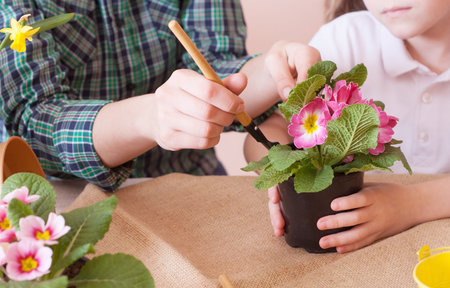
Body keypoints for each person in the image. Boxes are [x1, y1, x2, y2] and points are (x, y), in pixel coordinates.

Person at [0, 0, 320, 191]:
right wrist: (149, 118)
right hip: (63, 209)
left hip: (190, 189)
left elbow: (218, 67)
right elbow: (32, 125)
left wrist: (272, 69)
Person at [245, 0, 450, 253]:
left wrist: (409, 205)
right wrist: (283, 177)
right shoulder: (344, 38)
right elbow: (275, 127)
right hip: (340, 236)